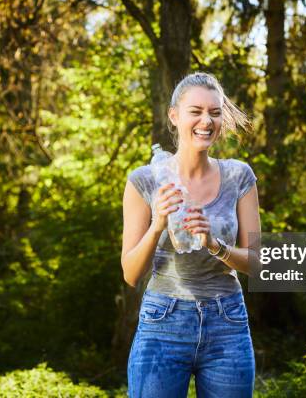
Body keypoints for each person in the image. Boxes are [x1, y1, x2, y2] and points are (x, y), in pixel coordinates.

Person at [121, 72, 261, 398]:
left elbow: (258, 263)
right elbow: (131, 274)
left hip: (227, 323)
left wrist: (216, 245)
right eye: (195, 111)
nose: (206, 121)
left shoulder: (239, 176)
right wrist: (158, 223)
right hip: (162, 323)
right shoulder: (144, 180)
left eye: (215, 112)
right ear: (175, 115)